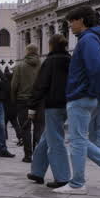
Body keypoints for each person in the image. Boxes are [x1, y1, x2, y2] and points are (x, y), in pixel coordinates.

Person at [56, 6, 100, 195]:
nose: (70, 25)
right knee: (79, 140)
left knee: (77, 140)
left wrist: (90, 92)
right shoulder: (92, 40)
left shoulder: (87, 40)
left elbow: (99, 70)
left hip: (82, 96)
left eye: (72, 20)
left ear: (82, 20)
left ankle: (81, 182)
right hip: (89, 96)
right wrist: (99, 95)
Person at [26, 34, 71, 188]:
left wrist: (32, 105)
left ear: (51, 45)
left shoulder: (50, 61)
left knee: (55, 141)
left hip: (53, 105)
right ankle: (37, 171)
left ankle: (62, 177)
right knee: (47, 137)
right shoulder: (70, 60)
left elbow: (41, 85)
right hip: (68, 104)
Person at [8, 45, 42, 163]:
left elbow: (14, 85)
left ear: (27, 52)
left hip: (23, 101)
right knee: (39, 127)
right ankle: (39, 154)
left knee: (25, 128)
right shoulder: (42, 65)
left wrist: (13, 100)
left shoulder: (20, 66)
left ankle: (28, 155)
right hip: (38, 101)